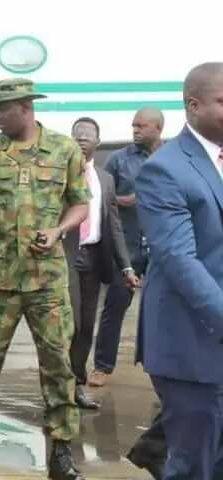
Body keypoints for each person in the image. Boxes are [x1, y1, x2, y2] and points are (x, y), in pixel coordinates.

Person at [0, 78, 89, 479]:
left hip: (47, 280)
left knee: (58, 365)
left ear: (26, 108)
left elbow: (81, 204)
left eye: (3, 109)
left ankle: (61, 451)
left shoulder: (64, 149)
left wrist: (59, 230)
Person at [135, 62, 223, 480]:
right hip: (193, 345)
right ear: (194, 105)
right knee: (195, 465)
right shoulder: (165, 169)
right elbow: (179, 259)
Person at [65, 117, 139, 411]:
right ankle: (59, 388)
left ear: (99, 141)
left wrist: (126, 266)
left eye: (88, 134)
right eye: (77, 133)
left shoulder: (105, 179)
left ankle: (78, 386)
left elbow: (115, 226)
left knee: (86, 326)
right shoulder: (59, 174)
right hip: (66, 257)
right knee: (68, 325)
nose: (82, 137)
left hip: (94, 258)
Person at [90, 107, 164, 387]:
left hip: (160, 248)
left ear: (157, 128)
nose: (135, 130)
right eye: (133, 126)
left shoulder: (170, 158)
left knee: (162, 310)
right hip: (128, 247)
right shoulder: (118, 160)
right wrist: (128, 200)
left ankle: (160, 367)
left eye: (141, 126)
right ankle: (102, 367)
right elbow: (102, 199)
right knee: (115, 307)